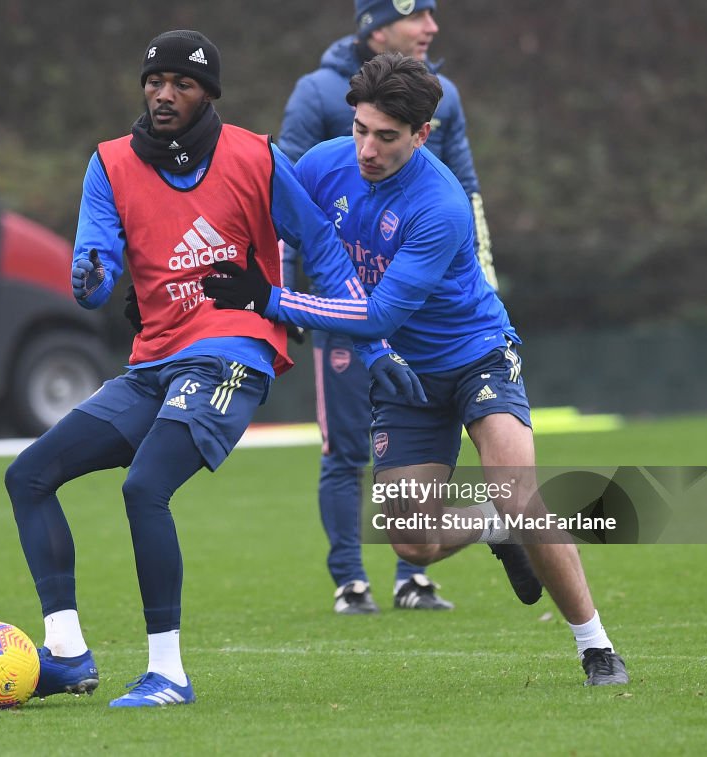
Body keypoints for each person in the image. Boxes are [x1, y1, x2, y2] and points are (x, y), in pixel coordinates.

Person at [4, 30, 426, 709]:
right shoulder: (109, 165)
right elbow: (95, 266)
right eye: (155, 81)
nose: (165, 94)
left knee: (145, 488)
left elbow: (322, 246)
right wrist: (90, 279)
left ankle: (167, 673)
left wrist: (374, 347)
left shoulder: (253, 156)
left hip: (233, 351)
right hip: (152, 365)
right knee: (27, 474)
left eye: (183, 84)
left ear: (208, 95)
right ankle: (66, 652)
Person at [203, 52, 629, 686]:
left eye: (386, 136)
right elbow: (260, 217)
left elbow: (373, 315)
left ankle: (596, 648)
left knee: (520, 492)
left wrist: (267, 298)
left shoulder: (440, 205)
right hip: (404, 375)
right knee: (411, 543)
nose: (367, 149)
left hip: (476, 354)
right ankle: (491, 525)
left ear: (422, 134)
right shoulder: (324, 164)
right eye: (360, 129)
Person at [277, 0, 504, 614]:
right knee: (344, 446)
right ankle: (350, 578)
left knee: (421, 465)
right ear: (378, 28)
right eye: (417, 16)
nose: (432, 28)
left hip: (416, 312)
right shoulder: (318, 92)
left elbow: (466, 189)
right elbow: (281, 200)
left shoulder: (442, 99)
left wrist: (482, 277)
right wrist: (288, 293)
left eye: (433, 16)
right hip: (333, 310)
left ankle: (413, 575)